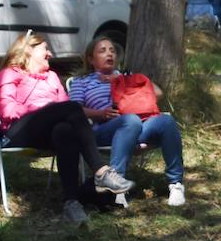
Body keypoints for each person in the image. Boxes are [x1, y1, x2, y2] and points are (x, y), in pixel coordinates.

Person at [0, 31, 133, 224]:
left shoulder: (51, 77)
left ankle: (71, 203)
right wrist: (45, 109)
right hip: (18, 132)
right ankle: (101, 171)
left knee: (65, 130)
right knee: (71, 108)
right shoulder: (8, 74)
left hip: (47, 133)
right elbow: (7, 111)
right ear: (28, 51)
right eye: (45, 49)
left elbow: (66, 110)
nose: (50, 54)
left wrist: (53, 111)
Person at [67, 35, 186, 207]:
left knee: (166, 121)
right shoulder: (82, 81)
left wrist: (123, 79)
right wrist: (100, 113)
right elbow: (74, 109)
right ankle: (117, 185)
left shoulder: (124, 76)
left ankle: (176, 184)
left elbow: (158, 93)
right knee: (130, 120)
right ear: (91, 59)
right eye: (102, 51)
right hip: (103, 130)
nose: (109, 54)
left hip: (136, 126)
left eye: (112, 51)